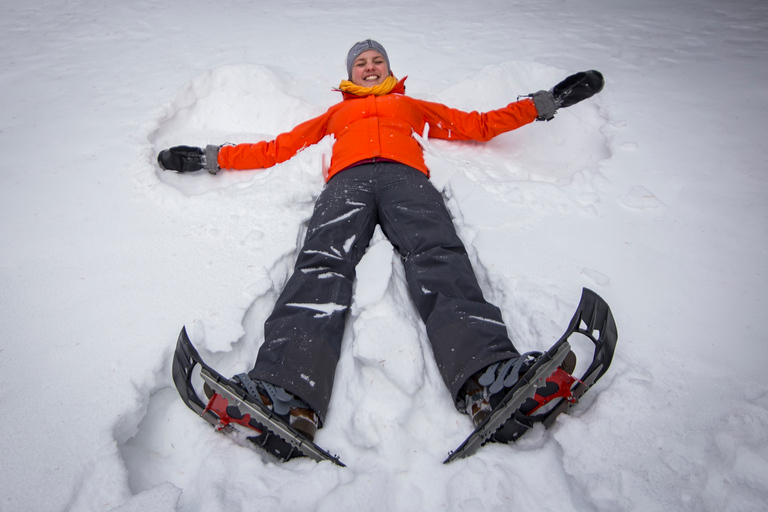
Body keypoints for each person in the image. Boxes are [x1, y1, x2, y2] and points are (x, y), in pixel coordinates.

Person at [158, 40, 603, 443]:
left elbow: (479, 124)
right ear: (349, 76)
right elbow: (276, 148)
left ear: (390, 68)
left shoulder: (410, 106)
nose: (369, 67)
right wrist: (210, 156)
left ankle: (488, 377)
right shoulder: (335, 115)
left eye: (377, 60)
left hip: (406, 180)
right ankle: (285, 390)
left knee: (437, 255)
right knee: (321, 263)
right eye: (361, 62)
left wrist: (546, 103)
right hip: (346, 185)